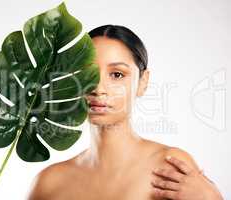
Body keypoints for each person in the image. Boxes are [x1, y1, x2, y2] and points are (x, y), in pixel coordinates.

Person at [27, 25, 223, 200]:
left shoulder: (171, 168)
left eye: (117, 74)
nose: (98, 88)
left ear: (143, 82)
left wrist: (212, 198)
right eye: (88, 74)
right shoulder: (49, 183)